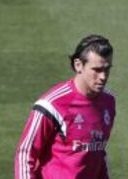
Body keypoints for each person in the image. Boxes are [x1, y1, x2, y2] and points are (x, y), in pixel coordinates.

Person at [15, 34, 116, 179]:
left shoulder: (108, 102)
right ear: (78, 65)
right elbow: (25, 152)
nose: (103, 77)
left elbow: (98, 152)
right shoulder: (52, 104)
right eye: (97, 70)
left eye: (107, 69)